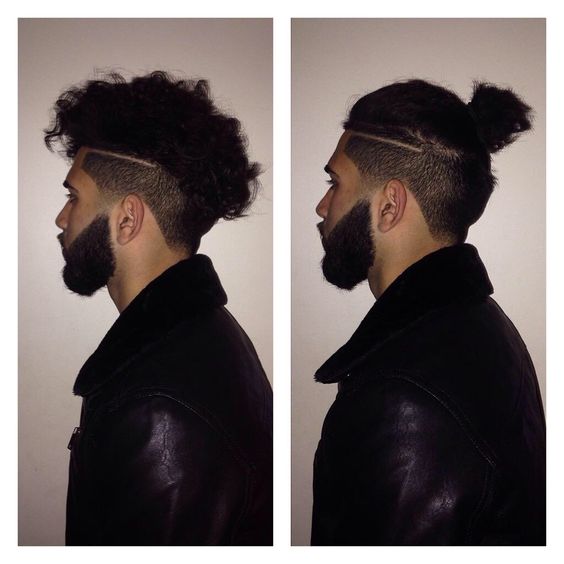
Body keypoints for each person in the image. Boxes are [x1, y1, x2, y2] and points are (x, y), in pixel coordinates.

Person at [311, 79, 545, 545]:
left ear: (390, 205)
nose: (321, 207)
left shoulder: (405, 401)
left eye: (334, 182)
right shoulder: (481, 325)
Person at [45, 71, 272, 545]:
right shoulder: (199, 337)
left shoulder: (160, 407)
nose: (62, 218)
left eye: (73, 197)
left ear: (127, 218)